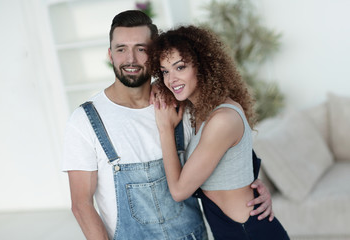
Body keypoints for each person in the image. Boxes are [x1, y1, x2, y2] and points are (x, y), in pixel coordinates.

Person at [62, 10, 274, 240]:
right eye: (121, 49)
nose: (131, 59)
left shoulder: (180, 103)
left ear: (155, 56)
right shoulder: (85, 120)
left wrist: (254, 188)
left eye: (141, 49)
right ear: (110, 55)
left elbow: (230, 152)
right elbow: (81, 205)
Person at [148, 25, 290, 240]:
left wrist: (165, 129)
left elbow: (179, 191)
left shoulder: (222, 118)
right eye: (165, 71)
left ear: (202, 65)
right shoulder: (202, 110)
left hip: (248, 233)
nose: (171, 79)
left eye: (180, 67)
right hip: (233, 231)